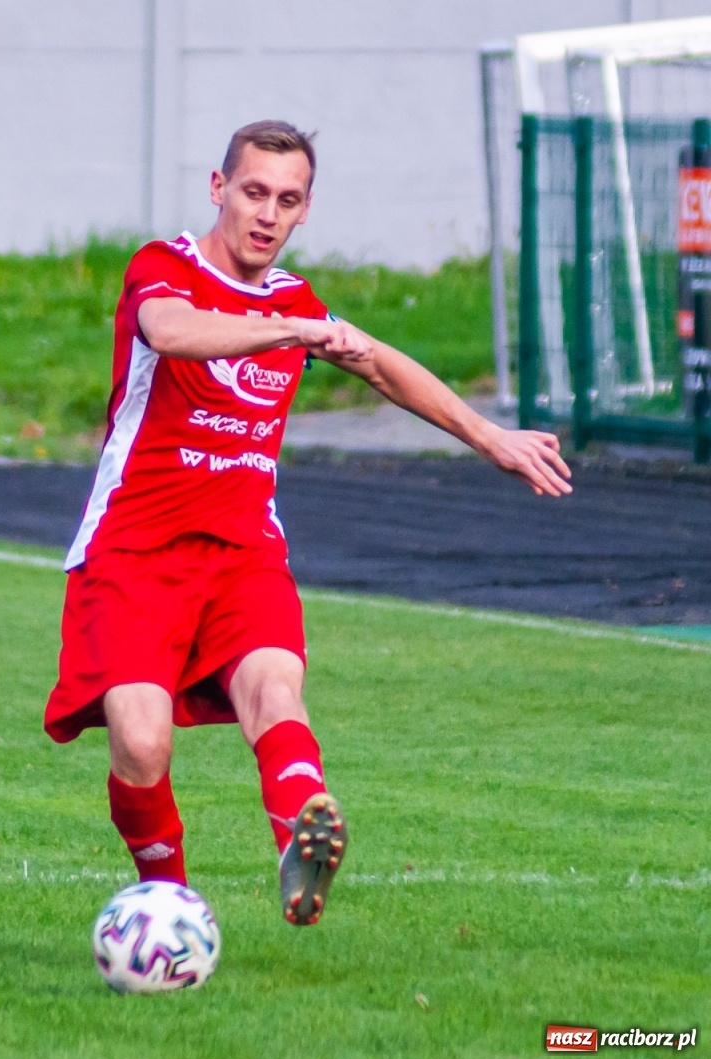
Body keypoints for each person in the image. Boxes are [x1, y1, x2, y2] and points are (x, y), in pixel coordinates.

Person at [45, 121, 572, 926]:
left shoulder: (297, 302)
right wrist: (292, 329)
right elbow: (172, 332)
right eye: (254, 192)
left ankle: (301, 839)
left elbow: (382, 364)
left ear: (305, 209)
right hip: (135, 550)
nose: (267, 214)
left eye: (287, 200)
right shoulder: (166, 268)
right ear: (219, 188)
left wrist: (489, 435)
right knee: (142, 743)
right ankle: (168, 899)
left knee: (274, 692)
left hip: (244, 553)